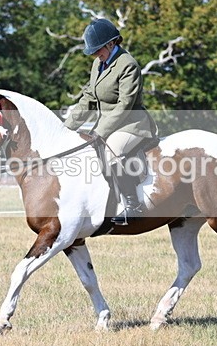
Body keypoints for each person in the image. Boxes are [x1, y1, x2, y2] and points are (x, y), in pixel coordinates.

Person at [63, 18, 158, 225]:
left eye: (98, 50)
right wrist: (66, 128)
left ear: (111, 43)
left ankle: (133, 206)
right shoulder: (98, 64)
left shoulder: (128, 65)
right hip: (108, 123)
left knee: (112, 151)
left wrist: (100, 132)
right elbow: (89, 98)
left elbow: (125, 104)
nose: (95, 55)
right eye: (93, 52)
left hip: (131, 124)